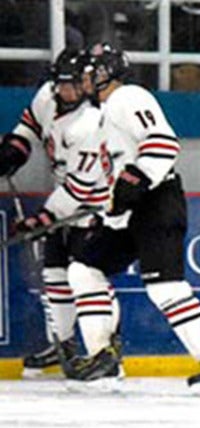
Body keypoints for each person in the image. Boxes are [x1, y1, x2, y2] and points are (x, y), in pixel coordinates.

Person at [63, 43, 200, 394]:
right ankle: (103, 360)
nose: (85, 81)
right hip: (133, 210)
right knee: (84, 268)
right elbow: (119, 181)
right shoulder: (103, 116)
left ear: (107, 73)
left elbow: (163, 143)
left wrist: (133, 183)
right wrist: (109, 213)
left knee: (165, 287)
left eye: (91, 73)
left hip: (158, 202)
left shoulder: (128, 98)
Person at [1, 49, 98, 378]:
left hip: (92, 205)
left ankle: (106, 351)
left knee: (89, 278)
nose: (65, 90)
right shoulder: (47, 96)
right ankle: (64, 345)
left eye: (73, 84)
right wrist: (13, 151)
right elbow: (28, 128)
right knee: (55, 273)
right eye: (61, 83)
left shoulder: (90, 121)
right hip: (63, 197)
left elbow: (79, 188)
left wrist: (43, 218)